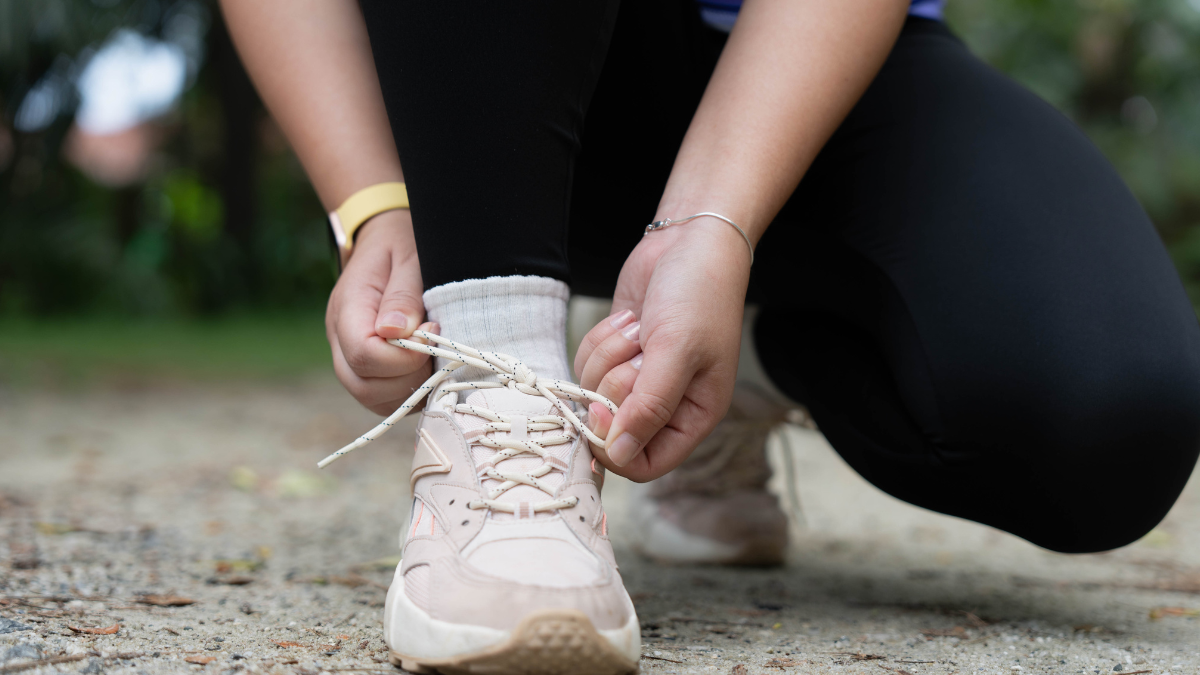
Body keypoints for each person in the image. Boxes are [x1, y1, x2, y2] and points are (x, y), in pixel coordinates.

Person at [222, 1, 1200, 673]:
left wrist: (711, 223)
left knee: (1110, 418)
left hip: (812, 63)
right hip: (493, 85)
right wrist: (379, 204)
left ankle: (730, 375)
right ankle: (504, 386)